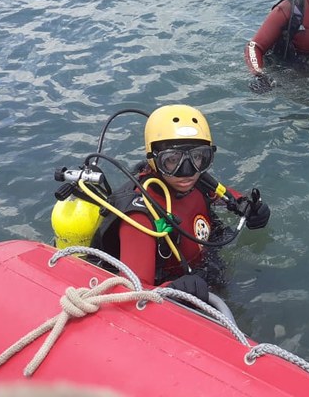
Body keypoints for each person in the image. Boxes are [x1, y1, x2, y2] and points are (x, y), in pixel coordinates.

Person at [89, 104, 270, 300]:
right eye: (172, 160)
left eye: (198, 157)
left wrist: (250, 207)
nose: (187, 170)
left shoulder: (199, 182)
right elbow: (134, 292)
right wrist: (173, 290)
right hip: (178, 283)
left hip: (207, 268)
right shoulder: (141, 216)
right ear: (153, 158)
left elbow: (231, 198)